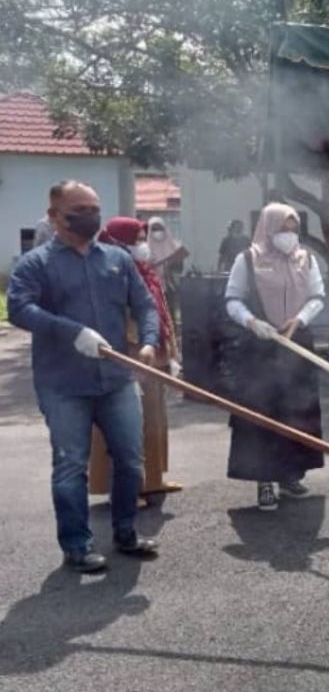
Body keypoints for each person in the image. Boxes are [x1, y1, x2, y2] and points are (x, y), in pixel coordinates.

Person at [6, 180, 161, 572]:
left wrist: (147, 343)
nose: (91, 216)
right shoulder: (36, 263)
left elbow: (144, 306)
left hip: (115, 379)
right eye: (80, 209)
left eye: (95, 208)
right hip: (63, 385)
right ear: (56, 216)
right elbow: (19, 310)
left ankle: (125, 532)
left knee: (130, 459)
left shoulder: (116, 259)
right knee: (71, 465)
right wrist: (71, 331)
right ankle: (77, 545)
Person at [224, 203, 326, 510]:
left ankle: (290, 475)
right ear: (268, 228)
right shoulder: (248, 259)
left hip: (297, 344)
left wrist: (300, 320)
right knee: (262, 413)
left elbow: (317, 297)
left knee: (297, 411)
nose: (289, 235)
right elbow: (232, 300)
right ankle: (264, 479)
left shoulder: (306, 259)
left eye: (294, 229)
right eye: (283, 229)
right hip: (260, 349)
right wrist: (253, 323)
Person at [89, 217, 181, 502]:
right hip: (129, 357)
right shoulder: (107, 272)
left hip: (152, 355)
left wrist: (171, 353)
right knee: (128, 425)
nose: (143, 245)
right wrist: (136, 348)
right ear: (119, 242)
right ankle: (129, 487)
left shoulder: (146, 271)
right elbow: (114, 318)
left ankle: (152, 480)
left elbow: (160, 313)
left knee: (154, 421)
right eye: (138, 239)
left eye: (143, 238)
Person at [146, 216, 188, 331]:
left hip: (169, 286)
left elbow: (179, 268)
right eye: (154, 229)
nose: (157, 232)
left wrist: (171, 265)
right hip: (152, 288)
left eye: (159, 228)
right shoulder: (145, 249)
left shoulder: (173, 246)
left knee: (170, 314)